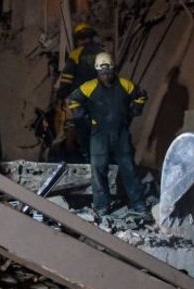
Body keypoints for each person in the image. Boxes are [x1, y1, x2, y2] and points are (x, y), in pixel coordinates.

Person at [66, 52, 148, 216]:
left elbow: (141, 95)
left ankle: (139, 205)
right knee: (98, 169)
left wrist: (134, 110)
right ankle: (102, 205)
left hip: (120, 133)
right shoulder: (89, 87)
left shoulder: (125, 85)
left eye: (108, 72)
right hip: (99, 134)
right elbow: (71, 100)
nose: (105, 75)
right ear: (97, 72)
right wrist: (83, 115)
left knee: (128, 168)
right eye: (102, 72)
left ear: (113, 69)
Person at [55, 22, 102, 161]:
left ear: (78, 39)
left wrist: (61, 96)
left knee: (72, 128)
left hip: (79, 101)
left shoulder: (76, 54)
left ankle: (74, 160)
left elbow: (66, 79)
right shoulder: (103, 53)